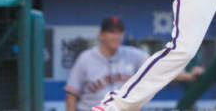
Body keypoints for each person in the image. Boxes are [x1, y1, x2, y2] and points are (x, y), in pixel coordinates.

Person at [66, 16, 204, 111]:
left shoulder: (133, 54)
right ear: (101, 35)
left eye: (120, 32)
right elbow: (72, 95)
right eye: (111, 32)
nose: (116, 36)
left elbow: (160, 69)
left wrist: (189, 76)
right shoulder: (86, 58)